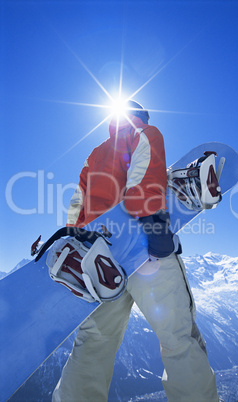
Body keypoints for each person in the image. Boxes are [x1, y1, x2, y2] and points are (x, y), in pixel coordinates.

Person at [52, 100, 219, 401]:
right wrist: (156, 228)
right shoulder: (145, 132)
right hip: (145, 252)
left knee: (92, 344)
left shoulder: (94, 156)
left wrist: (76, 243)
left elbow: (77, 205)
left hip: (101, 263)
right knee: (178, 339)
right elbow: (141, 185)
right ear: (140, 116)